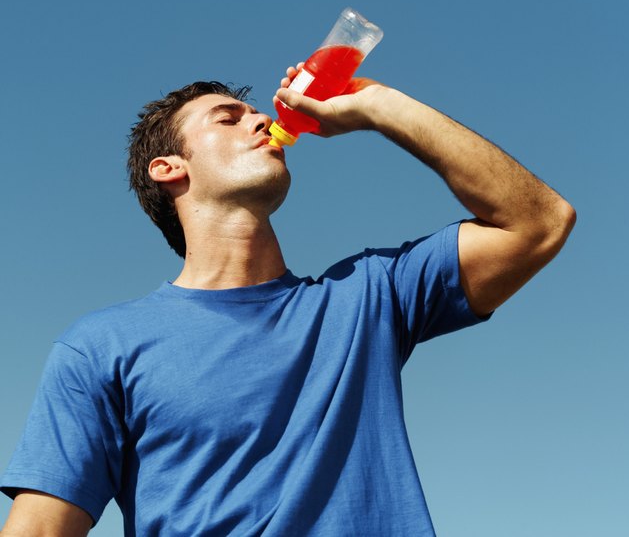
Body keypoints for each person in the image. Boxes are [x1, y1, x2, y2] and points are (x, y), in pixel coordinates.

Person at [0, 66, 576, 536]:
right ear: (169, 168)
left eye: (255, 111)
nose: (261, 119)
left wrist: (380, 106)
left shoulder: (368, 297)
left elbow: (540, 222)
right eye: (228, 117)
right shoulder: (101, 347)